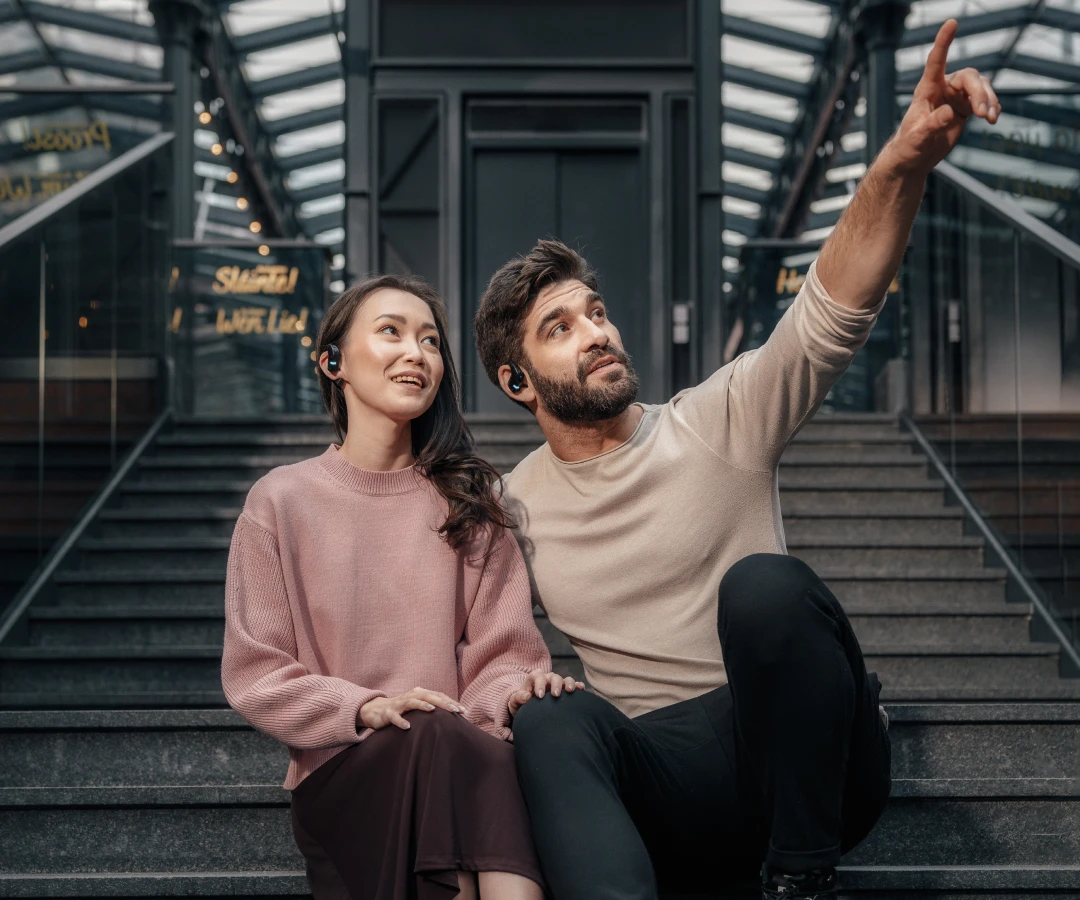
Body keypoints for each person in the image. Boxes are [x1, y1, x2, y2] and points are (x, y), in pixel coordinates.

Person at [472, 20, 999, 900]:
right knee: (550, 721)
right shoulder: (509, 503)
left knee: (765, 586)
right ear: (516, 379)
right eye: (560, 328)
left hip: (808, 767)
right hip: (671, 786)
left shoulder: (718, 418)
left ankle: (798, 880)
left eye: (596, 311)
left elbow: (834, 305)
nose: (597, 331)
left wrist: (899, 166)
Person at [222, 273, 581, 900]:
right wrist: (364, 707)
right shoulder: (280, 501)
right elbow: (258, 675)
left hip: (461, 757)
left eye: (431, 342)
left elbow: (502, 657)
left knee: (465, 745)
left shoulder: (471, 502)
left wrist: (523, 690)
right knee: (441, 740)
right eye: (391, 332)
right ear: (333, 361)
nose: (417, 353)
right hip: (344, 770)